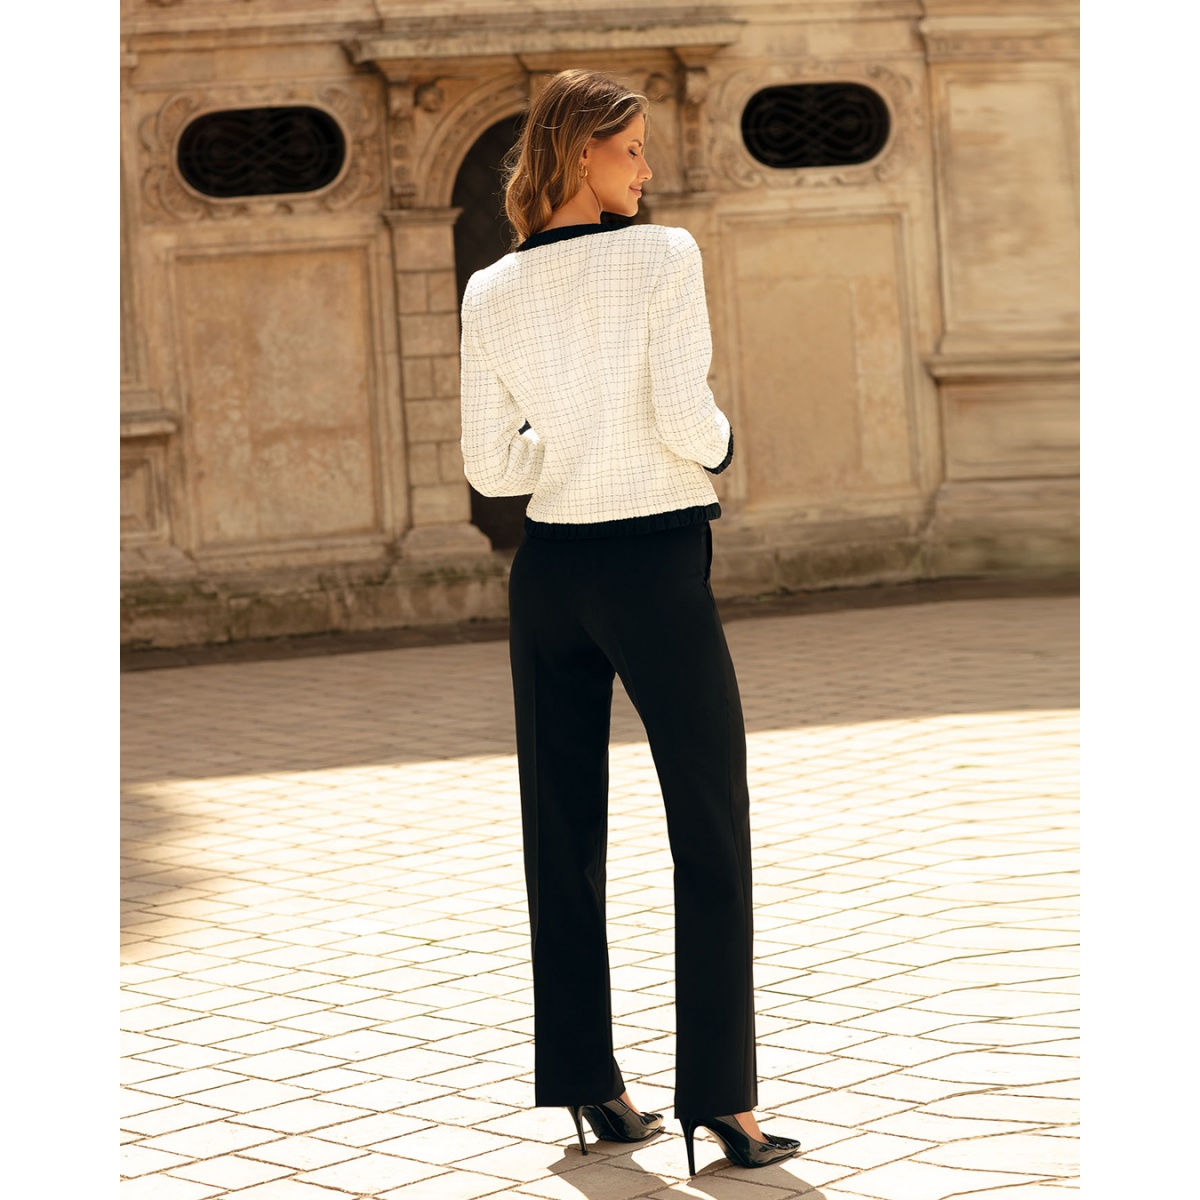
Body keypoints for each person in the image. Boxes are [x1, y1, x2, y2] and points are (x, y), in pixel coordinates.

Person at [458, 67, 800, 1178]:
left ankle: (590, 1087)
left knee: (559, 833)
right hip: (653, 563)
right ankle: (725, 1105)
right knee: (709, 824)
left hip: (549, 573)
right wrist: (723, 445)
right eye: (633, 149)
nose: (647, 169)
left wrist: (569, 442)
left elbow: (490, 466)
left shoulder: (490, 289)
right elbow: (684, 416)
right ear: (580, 153)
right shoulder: (663, 257)